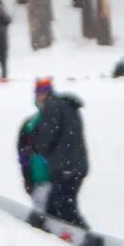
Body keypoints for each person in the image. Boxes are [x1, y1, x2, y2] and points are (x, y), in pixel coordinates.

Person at [29, 76, 90, 224]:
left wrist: (35, 147)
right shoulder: (65, 104)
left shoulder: (52, 107)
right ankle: (64, 233)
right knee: (58, 205)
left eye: (41, 93)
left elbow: (46, 136)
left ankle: (84, 238)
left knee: (64, 207)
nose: (38, 98)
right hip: (76, 164)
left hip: (66, 166)